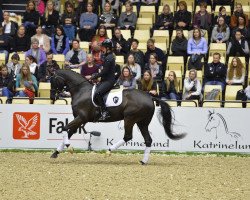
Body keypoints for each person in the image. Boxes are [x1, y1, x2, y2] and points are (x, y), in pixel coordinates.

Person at [90, 39, 117, 120]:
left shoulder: (109, 57)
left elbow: (105, 72)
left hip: (109, 81)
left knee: (98, 93)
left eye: (103, 48)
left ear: (107, 48)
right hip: (105, 80)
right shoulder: (108, 56)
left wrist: (95, 76)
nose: (102, 49)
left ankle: (105, 111)